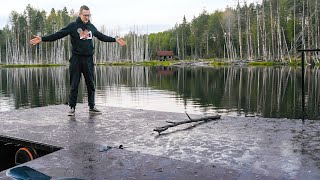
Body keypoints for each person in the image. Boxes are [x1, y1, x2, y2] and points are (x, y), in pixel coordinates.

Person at [30, 5, 126, 116]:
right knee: (74, 84)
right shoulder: (73, 26)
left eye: (89, 15)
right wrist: (42, 38)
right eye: (85, 15)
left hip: (88, 59)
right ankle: (72, 107)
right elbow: (58, 35)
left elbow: (101, 36)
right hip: (76, 59)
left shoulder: (91, 27)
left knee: (91, 84)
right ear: (80, 14)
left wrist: (115, 39)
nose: (87, 17)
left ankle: (92, 107)